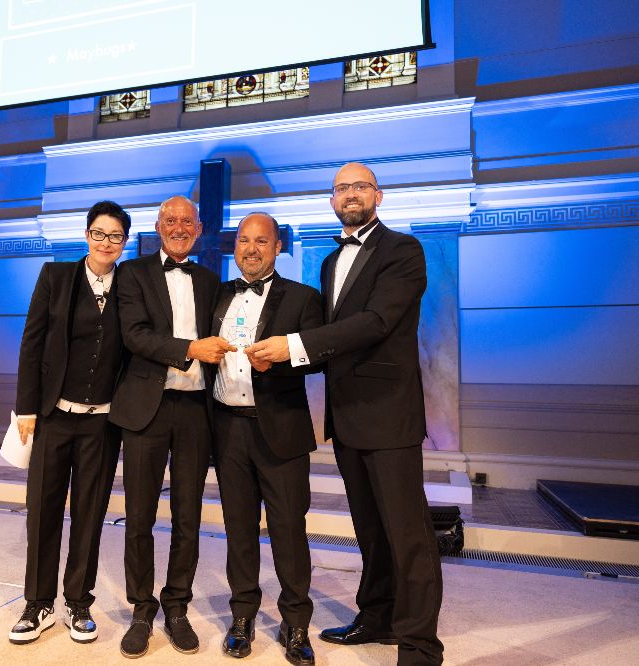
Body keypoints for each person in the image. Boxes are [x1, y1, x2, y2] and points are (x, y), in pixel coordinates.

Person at [248, 163, 444, 665]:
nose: (350, 194)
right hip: (348, 415)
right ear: (332, 199)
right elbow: (334, 344)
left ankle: (420, 645)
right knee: (370, 530)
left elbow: (376, 322)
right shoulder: (332, 261)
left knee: (409, 534)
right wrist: (280, 356)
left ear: (378, 195)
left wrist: (291, 344)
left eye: (359, 186)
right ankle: (376, 617)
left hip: (390, 414)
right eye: (341, 188)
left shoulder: (403, 250)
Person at [108, 195, 230, 659]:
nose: (179, 227)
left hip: (196, 409)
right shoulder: (133, 273)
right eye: (171, 220)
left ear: (198, 230)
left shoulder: (209, 279)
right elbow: (134, 335)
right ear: (159, 226)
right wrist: (190, 349)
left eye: (187, 221)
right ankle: (142, 607)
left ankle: (176, 606)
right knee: (138, 515)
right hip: (147, 408)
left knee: (188, 515)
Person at [9, 200, 131, 646]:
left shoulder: (131, 286)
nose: (106, 242)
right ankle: (37, 604)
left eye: (115, 236)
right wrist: (26, 407)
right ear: (86, 235)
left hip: (103, 425)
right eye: (99, 233)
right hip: (54, 418)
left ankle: (79, 602)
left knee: (89, 514)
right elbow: (32, 344)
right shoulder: (55, 278)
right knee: (41, 512)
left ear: (124, 243)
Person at [212, 213, 322, 665]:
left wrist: (279, 360)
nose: (251, 248)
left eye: (262, 241)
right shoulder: (218, 295)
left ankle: (295, 623)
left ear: (278, 247)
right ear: (234, 247)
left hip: (280, 429)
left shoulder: (303, 297)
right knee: (238, 528)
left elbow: (317, 358)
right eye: (244, 240)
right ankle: (242, 616)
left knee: (288, 531)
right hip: (227, 427)